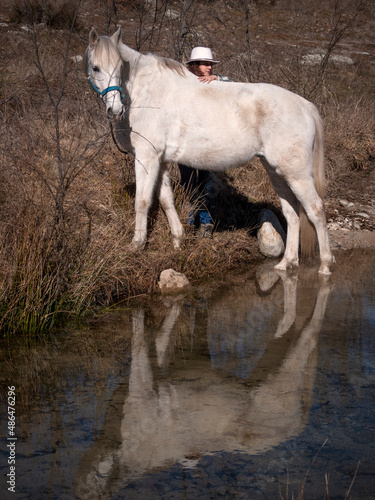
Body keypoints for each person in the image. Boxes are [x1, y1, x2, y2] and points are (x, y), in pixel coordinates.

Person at [178, 47, 232, 238]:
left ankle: (206, 223)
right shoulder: (183, 82)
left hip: (207, 142)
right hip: (185, 142)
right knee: (187, 183)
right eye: (205, 64)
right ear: (195, 65)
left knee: (206, 182)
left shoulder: (214, 82)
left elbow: (237, 89)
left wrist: (218, 79)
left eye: (210, 64)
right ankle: (189, 222)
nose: (209, 67)